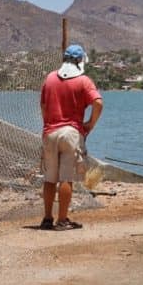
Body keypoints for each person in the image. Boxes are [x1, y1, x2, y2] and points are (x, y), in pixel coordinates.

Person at [39, 44, 103, 231]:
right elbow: (98, 102)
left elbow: (43, 105)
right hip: (71, 133)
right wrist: (90, 124)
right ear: (80, 61)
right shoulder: (83, 81)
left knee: (49, 178)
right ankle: (63, 219)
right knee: (66, 178)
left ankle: (47, 218)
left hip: (50, 131)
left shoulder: (50, 78)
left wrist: (48, 123)